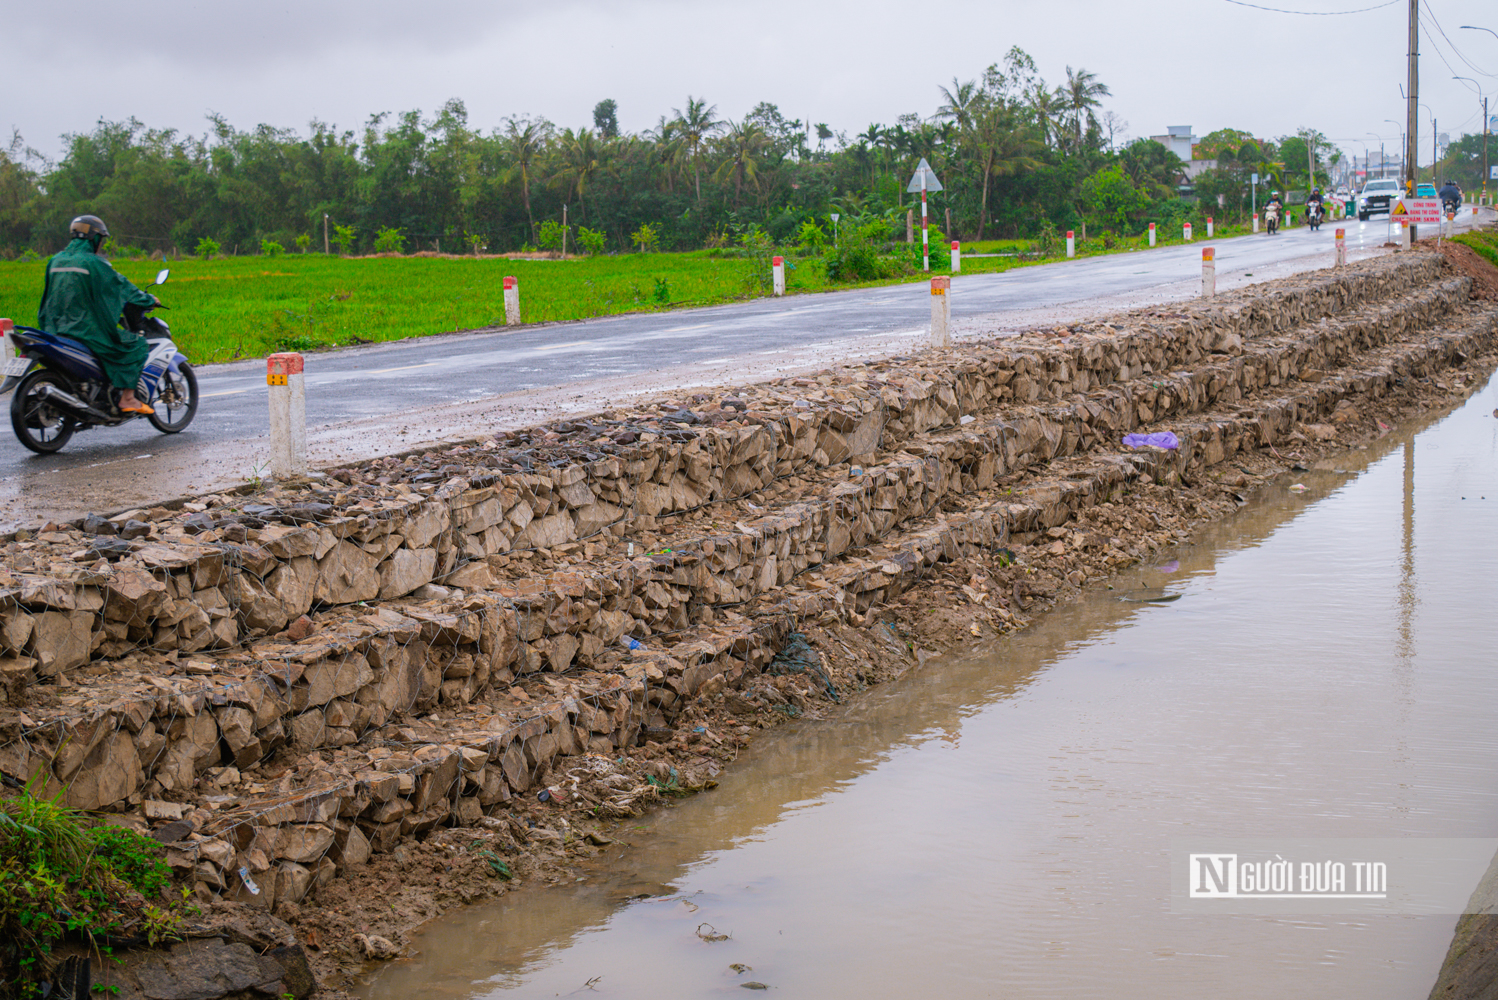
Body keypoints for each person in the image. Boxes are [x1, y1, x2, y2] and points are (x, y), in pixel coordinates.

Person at [38, 215, 158, 415]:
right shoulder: (94, 263)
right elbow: (121, 286)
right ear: (94, 238)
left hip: (54, 329)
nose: (101, 243)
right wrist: (148, 299)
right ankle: (128, 398)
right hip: (86, 331)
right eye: (100, 239)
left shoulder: (55, 260)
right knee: (136, 345)